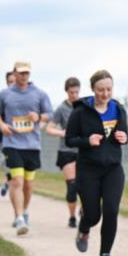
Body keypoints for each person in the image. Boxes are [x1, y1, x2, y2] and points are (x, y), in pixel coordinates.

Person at [65, 70, 128, 256]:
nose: (105, 94)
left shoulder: (118, 109)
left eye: (109, 89)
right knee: (93, 215)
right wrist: (87, 141)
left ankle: (105, 255)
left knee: (111, 210)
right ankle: (84, 228)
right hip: (88, 169)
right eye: (101, 90)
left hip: (113, 168)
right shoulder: (80, 111)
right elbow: (69, 139)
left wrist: (123, 137)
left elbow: (123, 132)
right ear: (93, 90)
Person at [0, 61, 52, 235]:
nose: (24, 76)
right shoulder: (5, 94)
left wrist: (39, 116)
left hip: (32, 144)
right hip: (12, 143)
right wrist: (2, 125)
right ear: (15, 73)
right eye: (21, 73)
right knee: (17, 181)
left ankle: (24, 211)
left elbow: (49, 114)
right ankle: (19, 218)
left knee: (28, 184)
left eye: (27, 73)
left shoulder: (39, 94)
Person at [46, 77, 82, 228]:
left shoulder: (84, 106)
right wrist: (63, 133)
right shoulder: (61, 109)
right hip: (66, 151)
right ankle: (72, 217)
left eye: (76, 92)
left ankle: (84, 209)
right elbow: (49, 128)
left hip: (83, 150)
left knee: (86, 185)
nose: (74, 95)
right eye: (71, 92)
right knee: (72, 186)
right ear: (66, 92)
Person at [0, 69, 17, 198]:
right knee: (8, 164)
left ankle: (8, 182)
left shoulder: (27, 98)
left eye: (14, 81)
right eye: (10, 82)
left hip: (23, 139)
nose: (12, 84)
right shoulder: (3, 97)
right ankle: (9, 182)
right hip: (6, 138)